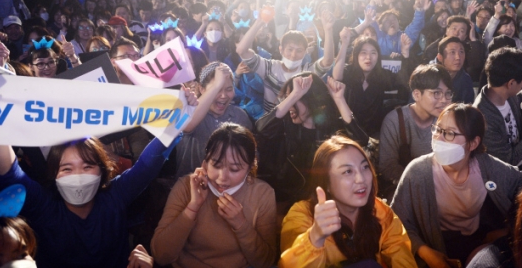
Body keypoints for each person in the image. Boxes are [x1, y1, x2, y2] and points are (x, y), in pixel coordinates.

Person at [0, 130, 191, 267]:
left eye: (87, 167)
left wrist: (175, 124)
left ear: (102, 172)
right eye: (67, 169)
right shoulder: (44, 208)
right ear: (54, 175)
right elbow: (9, 173)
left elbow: (147, 166)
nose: (78, 177)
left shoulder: (114, 196)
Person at [391, 103, 522, 268]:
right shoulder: (418, 171)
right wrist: (426, 252)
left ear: (472, 143)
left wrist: (508, 230)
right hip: (437, 245)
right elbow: (396, 222)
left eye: (449, 133)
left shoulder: (486, 166)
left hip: (481, 240)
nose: (438, 138)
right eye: (437, 129)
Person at [279, 135, 417, 268]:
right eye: (347, 171)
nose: (361, 179)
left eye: (365, 167)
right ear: (326, 182)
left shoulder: (381, 211)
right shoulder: (302, 215)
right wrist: (315, 238)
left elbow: (402, 257)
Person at [151, 123, 276, 267]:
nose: (222, 178)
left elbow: (265, 261)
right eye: (216, 165)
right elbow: (161, 255)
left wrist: (241, 224)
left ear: (250, 168)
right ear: (204, 164)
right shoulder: (187, 186)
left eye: (234, 169)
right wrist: (193, 207)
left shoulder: (262, 194)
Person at [255, 73, 369, 203]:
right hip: (286, 200)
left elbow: (361, 141)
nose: (290, 105)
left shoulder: (332, 129)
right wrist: (295, 95)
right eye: (288, 98)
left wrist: (339, 99)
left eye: (297, 98)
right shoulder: (283, 126)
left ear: (312, 99)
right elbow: (261, 129)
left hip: (325, 200)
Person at [236, 13, 335, 113]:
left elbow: (328, 61)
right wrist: (258, 23)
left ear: (305, 53)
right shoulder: (269, 67)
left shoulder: (307, 72)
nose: (293, 55)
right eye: (290, 49)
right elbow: (241, 50)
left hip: (297, 121)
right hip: (272, 121)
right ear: (281, 50)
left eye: (299, 50)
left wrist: (328, 30)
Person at [378, 64, 453, 193]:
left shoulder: (448, 120)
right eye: (436, 93)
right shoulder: (395, 120)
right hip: (405, 188)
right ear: (417, 95)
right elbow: (387, 166)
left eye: (448, 94)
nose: (444, 100)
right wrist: (419, 184)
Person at [175, 62, 253, 177]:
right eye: (217, 89)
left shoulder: (239, 116)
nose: (223, 95)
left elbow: (251, 155)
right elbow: (187, 124)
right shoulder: (189, 110)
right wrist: (217, 84)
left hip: (227, 186)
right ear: (201, 89)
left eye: (228, 89)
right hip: (191, 186)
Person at [333, 35, 411, 137]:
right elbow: (336, 76)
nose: (368, 57)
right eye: (363, 53)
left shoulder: (383, 75)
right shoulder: (348, 72)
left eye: (373, 53)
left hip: (374, 136)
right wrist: (344, 44)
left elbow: (404, 81)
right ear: (356, 55)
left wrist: (405, 53)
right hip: (347, 131)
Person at [473, 47, 522, 169]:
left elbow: (516, 97)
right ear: (511, 83)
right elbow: (509, 160)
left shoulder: (501, 92)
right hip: (513, 172)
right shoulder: (483, 118)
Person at [435, 37, 474, 103]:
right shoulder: (429, 76)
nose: (458, 57)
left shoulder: (466, 79)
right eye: (452, 52)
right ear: (440, 57)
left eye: (461, 52)